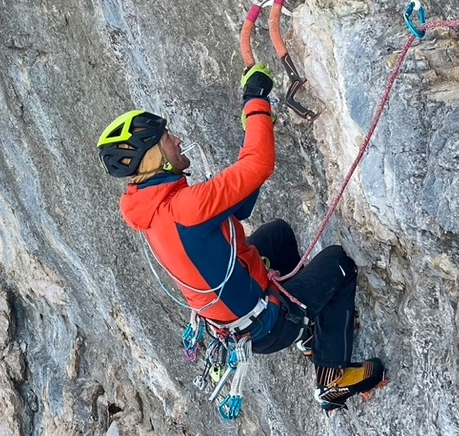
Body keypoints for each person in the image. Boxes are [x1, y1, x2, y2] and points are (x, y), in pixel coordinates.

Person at [96, 63, 385, 411]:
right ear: (151, 157)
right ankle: (332, 378)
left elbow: (238, 203)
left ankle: (313, 333)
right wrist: (255, 102)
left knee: (275, 235)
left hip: (239, 316)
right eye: (167, 139)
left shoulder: (151, 208)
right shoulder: (185, 208)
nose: (177, 140)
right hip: (268, 324)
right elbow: (257, 166)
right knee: (339, 263)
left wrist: (258, 129)